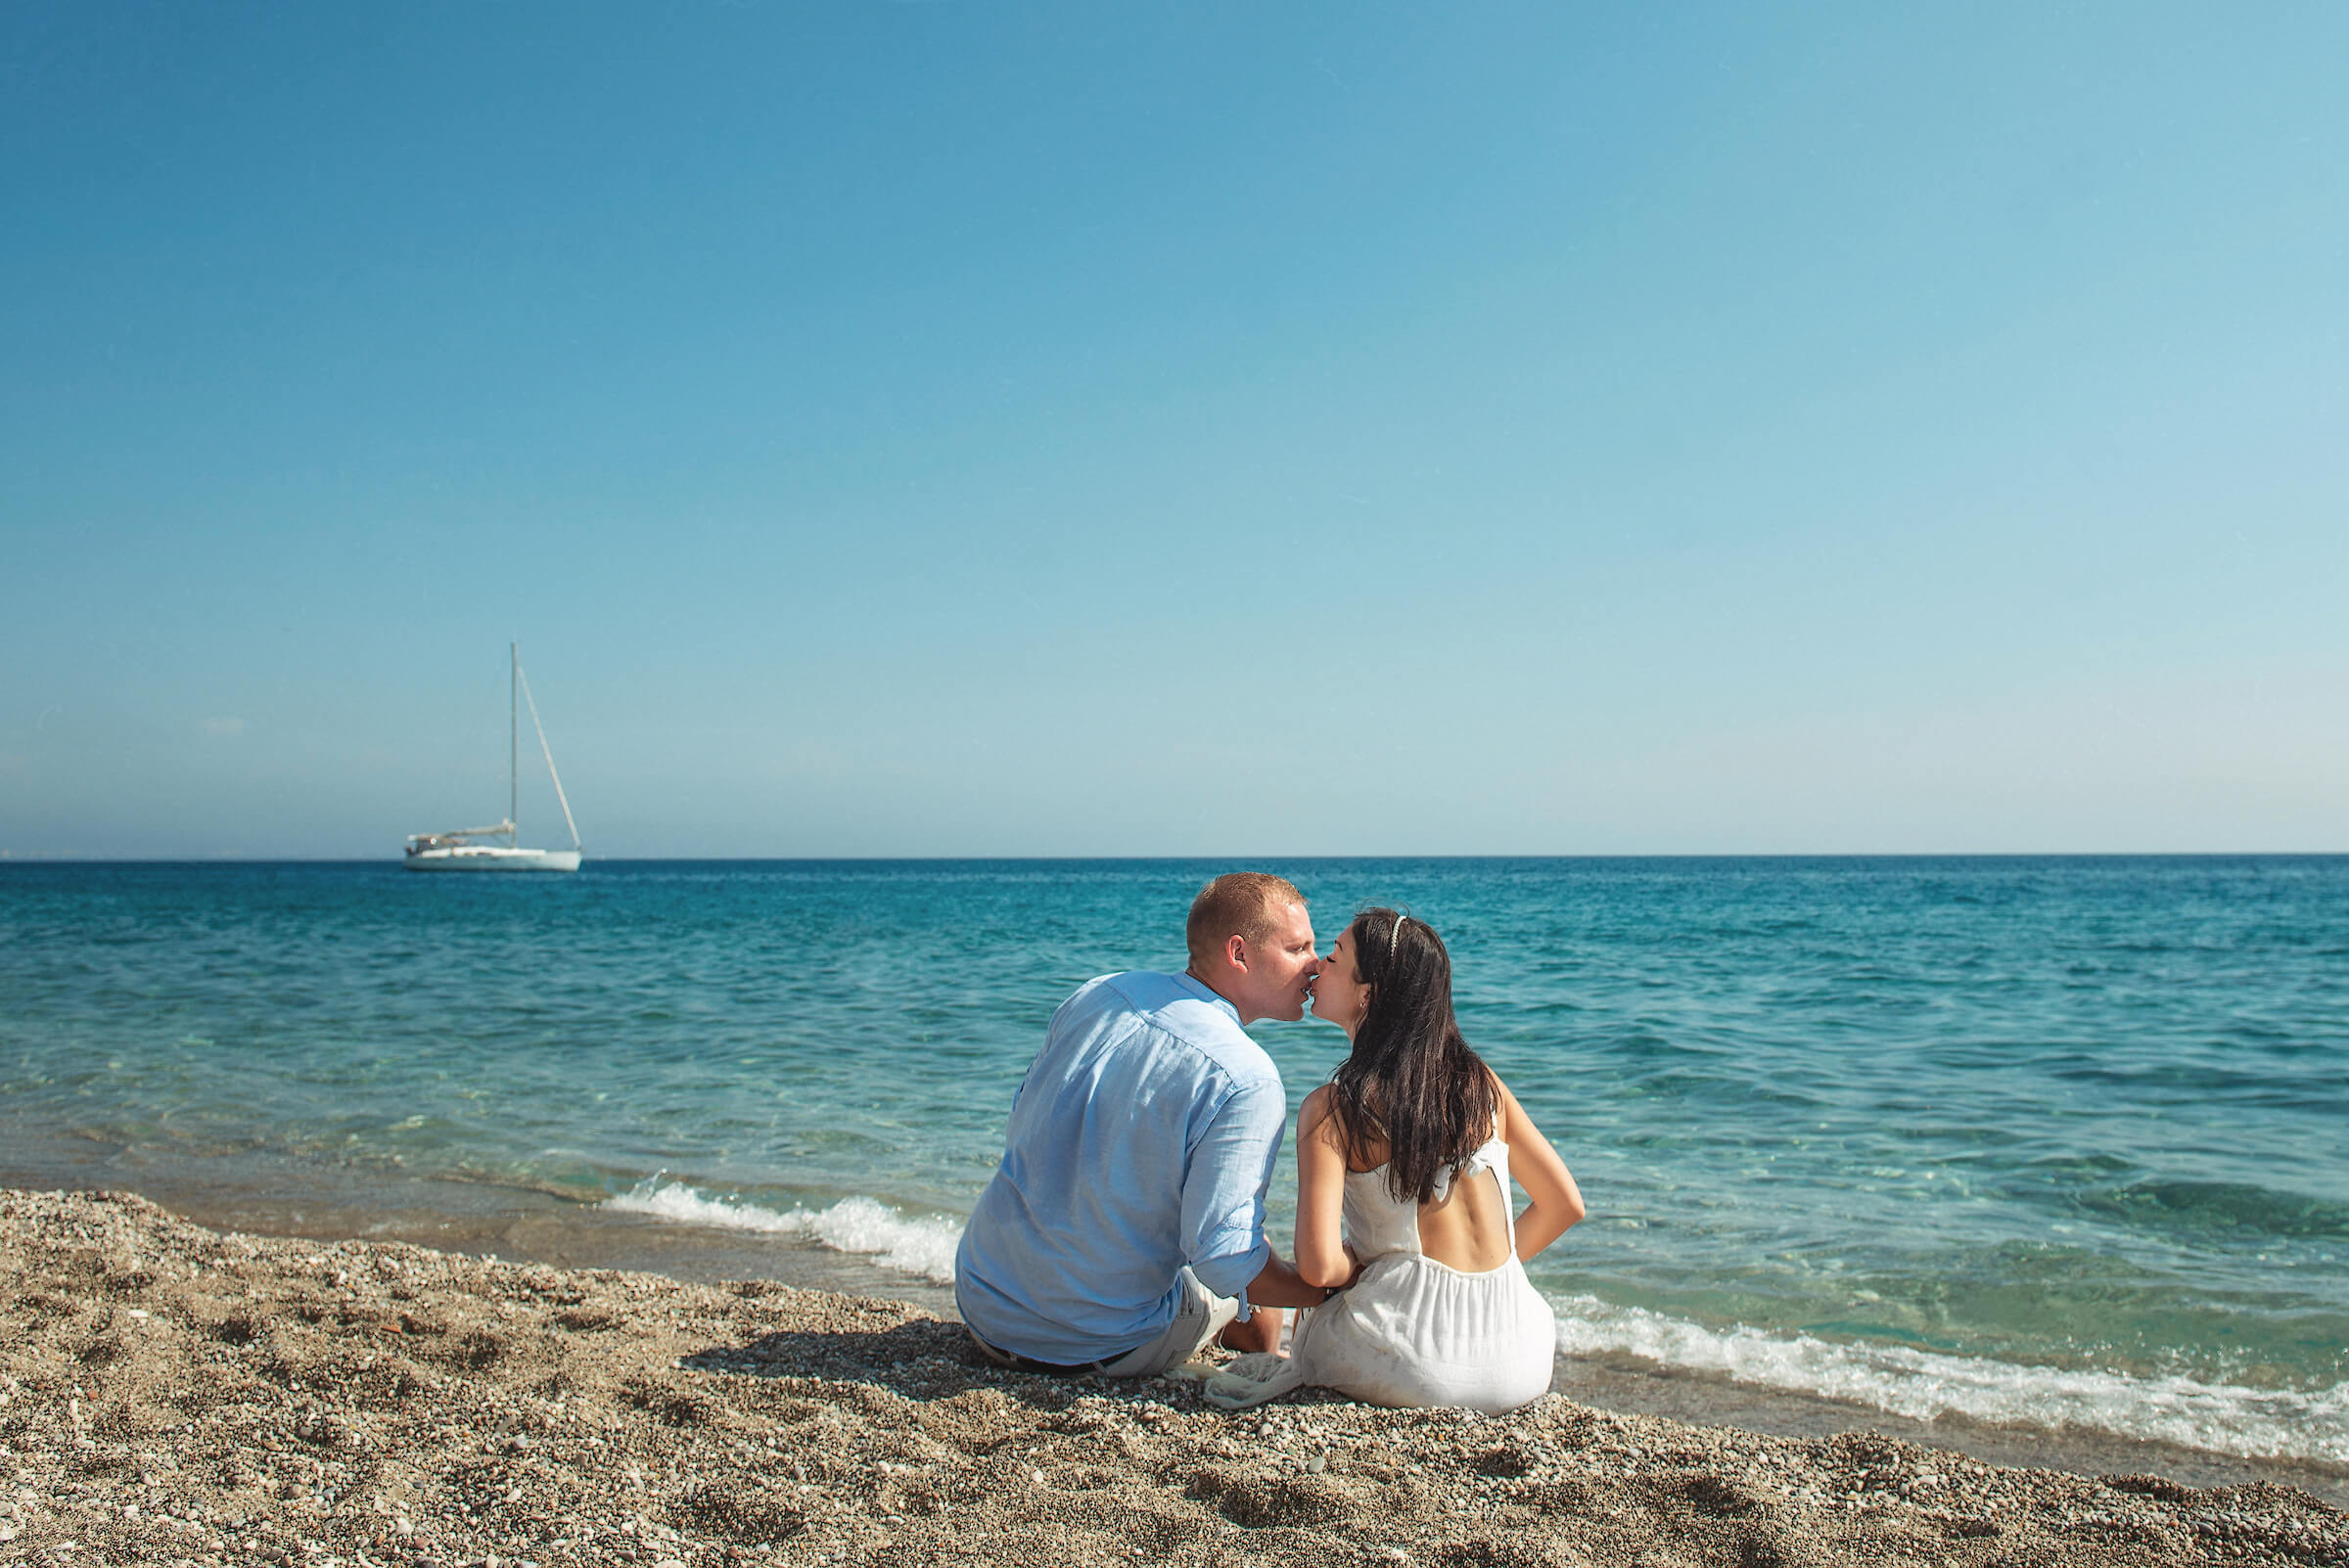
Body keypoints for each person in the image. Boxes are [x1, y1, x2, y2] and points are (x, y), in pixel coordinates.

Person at [1208, 907, 1585, 1411]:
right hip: (1524, 1354)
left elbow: (1320, 1268)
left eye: (1336, 958)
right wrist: (1486, 1276)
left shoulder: (1334, 1109)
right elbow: (1565, 1205)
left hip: (1415, 1364)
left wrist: (1357, 1266)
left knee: (1319, 1319)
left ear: (1370, 993)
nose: (1319, 964)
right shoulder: (1482, 1085)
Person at [954, 872, 1332, 1375]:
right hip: (1096, 1343)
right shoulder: (1247, 1077)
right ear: (1238, 954)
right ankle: (1265, 1367)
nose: (1316, 964)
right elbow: (1225, 1260)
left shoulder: (1100, 993)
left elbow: (1024, 1125)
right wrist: (1323, 1286)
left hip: (985, 1302)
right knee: (1251, 1254)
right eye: (1297, 947)